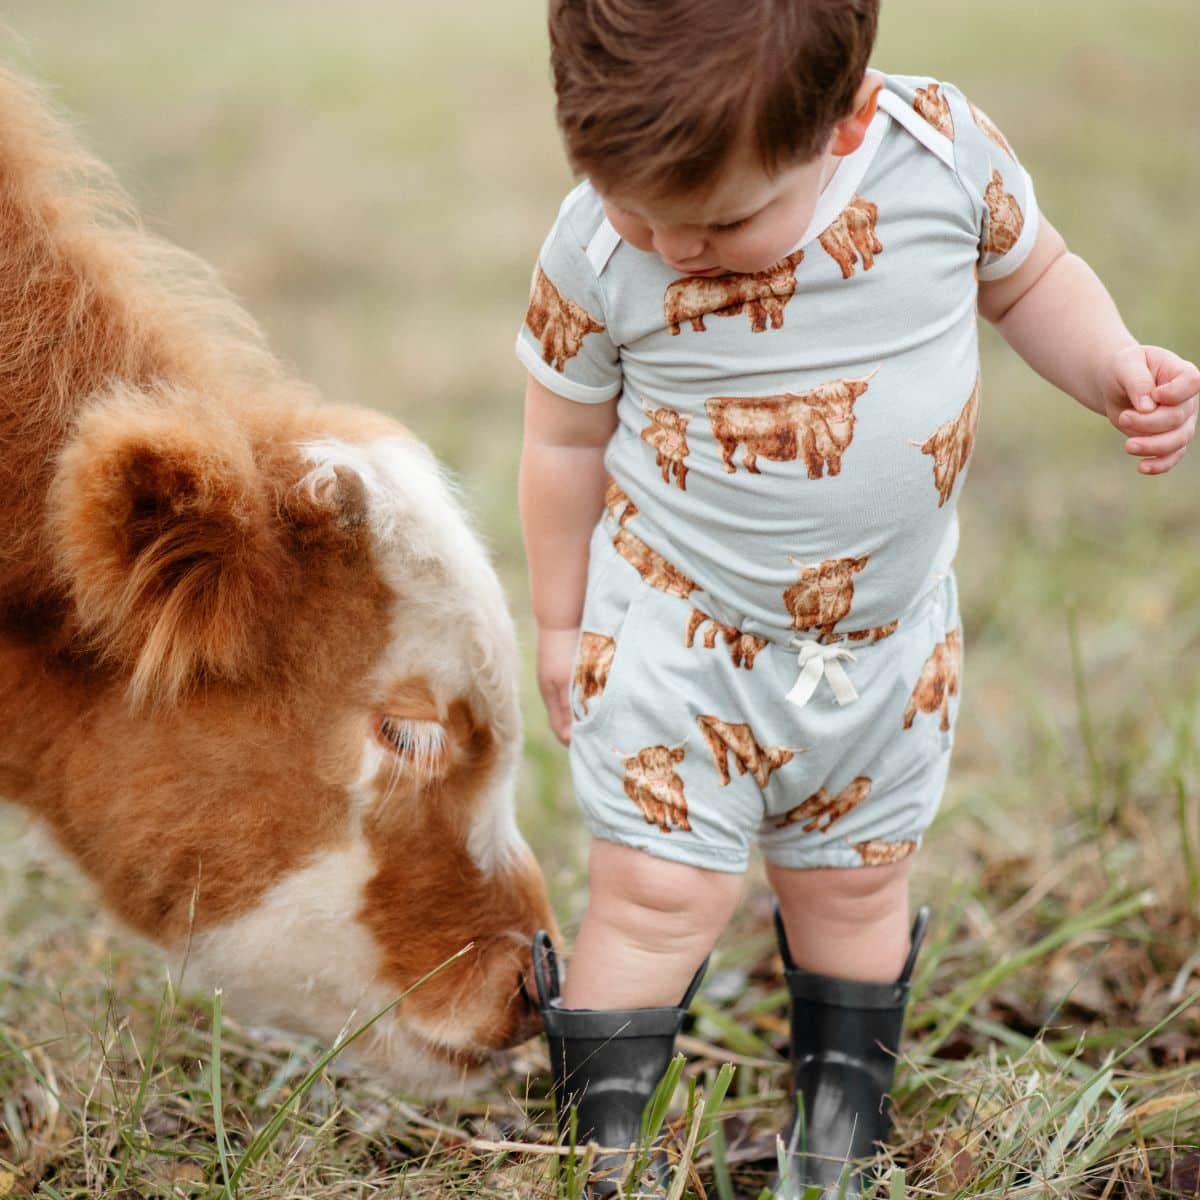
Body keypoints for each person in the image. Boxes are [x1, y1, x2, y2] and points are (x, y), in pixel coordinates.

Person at [517, 1, 1198, 1194]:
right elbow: (565, 440)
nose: (671, 247)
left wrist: (1114, 368)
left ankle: (841, 1112)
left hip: (885, 653)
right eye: (636, 207)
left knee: (857, 876)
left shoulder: (938, 155)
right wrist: (560, 620)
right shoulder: (595, 250)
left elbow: (1034, 274)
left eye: (722, 220)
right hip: (680, 636)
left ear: (846, 121)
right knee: (655, 890)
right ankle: (607, 1139)